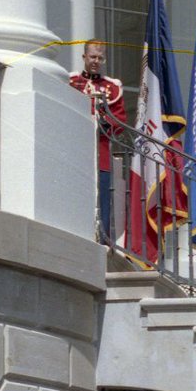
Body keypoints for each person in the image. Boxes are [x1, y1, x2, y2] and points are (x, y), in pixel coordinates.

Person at [69, 39, 127, 242]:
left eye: (100, 58)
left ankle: (102, 240)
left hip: (100, 151)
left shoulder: (112, 87)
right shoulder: (72, 82)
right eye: (92, 56)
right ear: (84, 57)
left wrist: (103, 122)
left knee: (102, 198)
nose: (96, 61)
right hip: (74, 149)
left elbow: (120, 120)